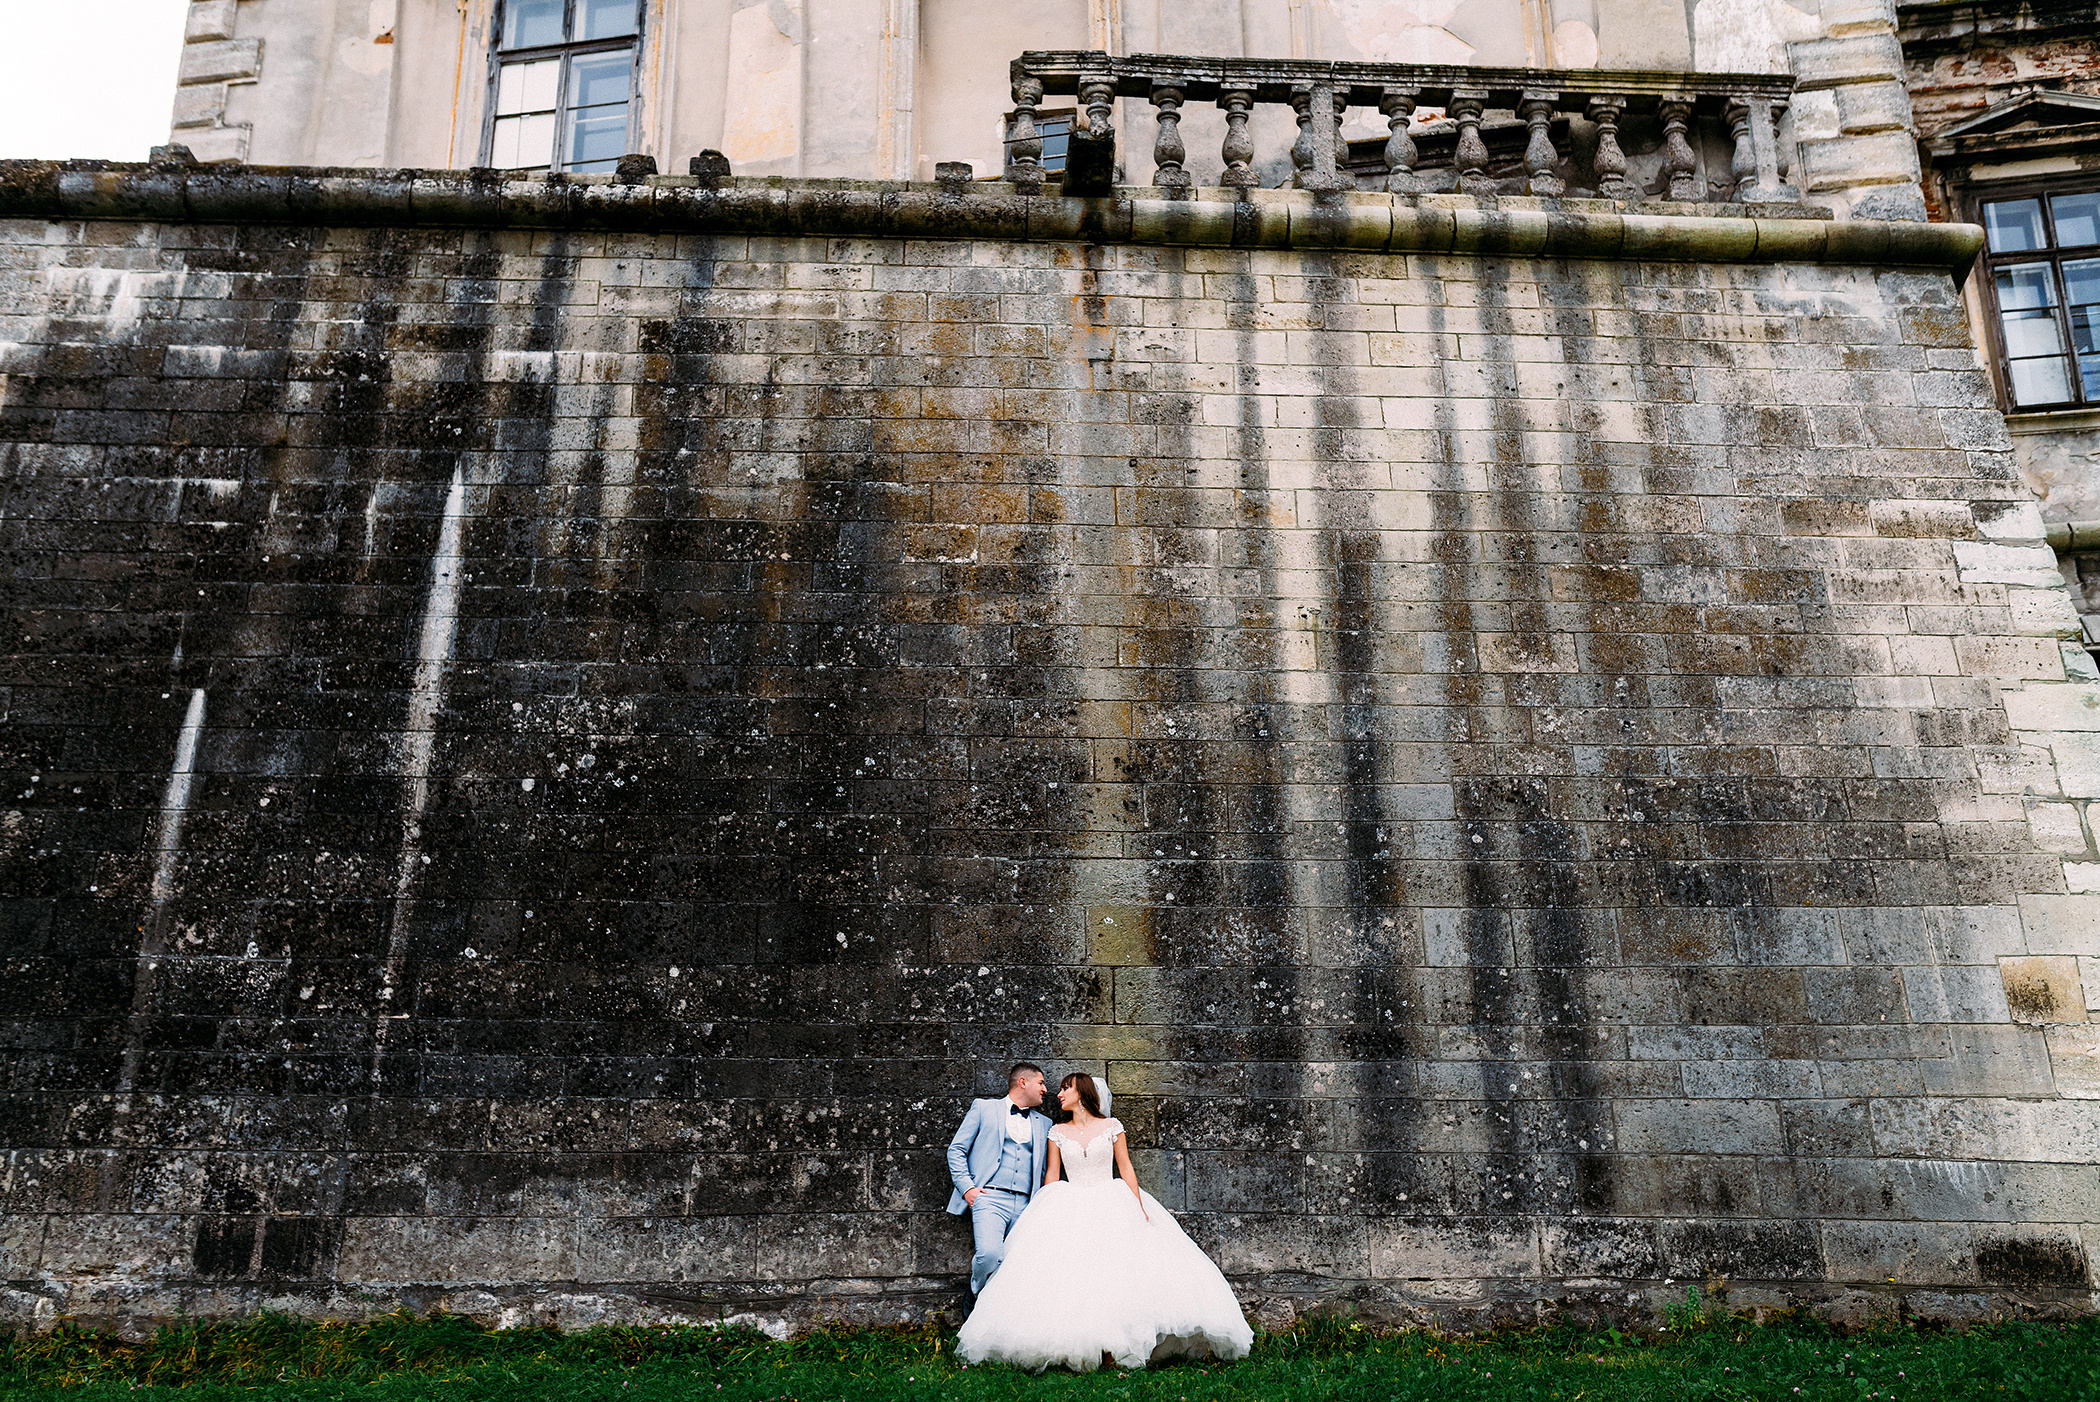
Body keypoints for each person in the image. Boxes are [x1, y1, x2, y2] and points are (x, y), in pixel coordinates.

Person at [955, 1072, 1254, 1373]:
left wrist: (1137, 1205)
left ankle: (1117, 1345)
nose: (1057, 1094)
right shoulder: (1056, 1131)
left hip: (1111, 1198)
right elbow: (1051, 1175)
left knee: (1117, 1274)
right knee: (1072, 1276)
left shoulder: (1112, 1127)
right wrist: (1041, 1210)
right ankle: (1078, 1343)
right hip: (1069, 1201)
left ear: (1082, 1093)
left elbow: (1125, 1168)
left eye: (1065, 1088)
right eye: (1056, 1088)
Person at [945, 1062, 1053, 1306]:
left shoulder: (1045, 1124)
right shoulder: (984, 1108)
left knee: (1020, 1264)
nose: (1045, 1089)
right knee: (990, 1255)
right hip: (989, 1197)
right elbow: (957, 1150)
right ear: (1022, 1082)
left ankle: (1001, 1313)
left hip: (1027, 1203)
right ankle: (976, 1292)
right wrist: (968, 1189)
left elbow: (1046, 1169)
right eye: (1041, 1083)